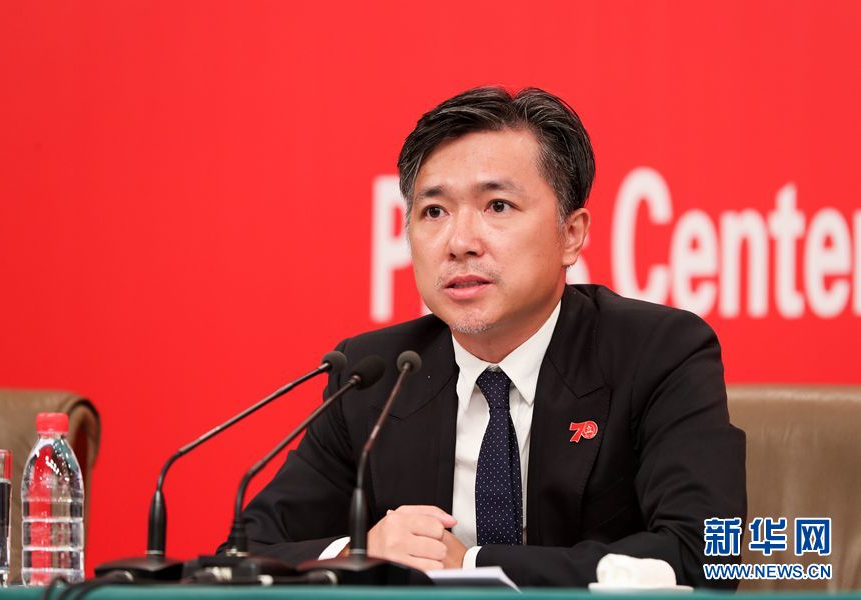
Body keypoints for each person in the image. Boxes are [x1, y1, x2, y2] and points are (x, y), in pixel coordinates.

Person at [237, 86, 746, 587]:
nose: (460, 243)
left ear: (571, 235)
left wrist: (472, 566)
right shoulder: (374, 375)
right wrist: (360, 551)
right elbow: (247, 551)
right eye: (434, 212)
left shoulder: (656, 352)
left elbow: (705, 554)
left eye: (498, 206)